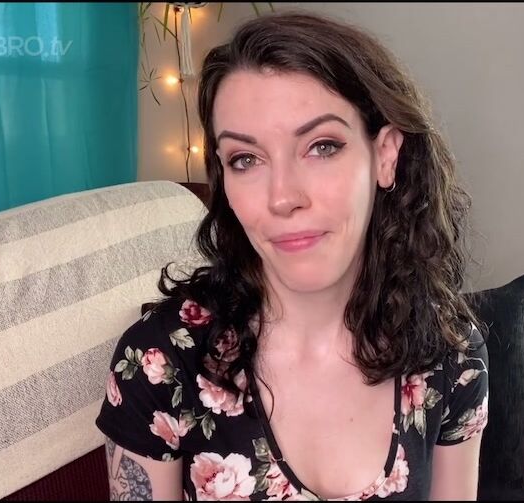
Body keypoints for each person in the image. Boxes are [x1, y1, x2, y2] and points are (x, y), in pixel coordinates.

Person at [95, 11, 489, 501]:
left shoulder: (451, 352)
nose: (283, 197)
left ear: (385, 156)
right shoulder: (158, 361)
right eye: (245, 159)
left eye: (322, 147)